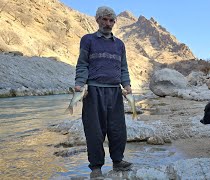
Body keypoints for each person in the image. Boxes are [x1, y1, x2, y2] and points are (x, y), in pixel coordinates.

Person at [74, 6, 133, 178]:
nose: (108, 23)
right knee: (94, 131)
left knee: (118, 129)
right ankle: (96, 167)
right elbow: (82, 64)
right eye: (104, 19)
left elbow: (123, 68)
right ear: (97, 20)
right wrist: (79, 83)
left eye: (111, 20)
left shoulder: (120, 44)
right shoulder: (88, 40)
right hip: (93, 92)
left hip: (115, 93)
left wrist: (127, 85)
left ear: (115, 22)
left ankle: (117, 161)